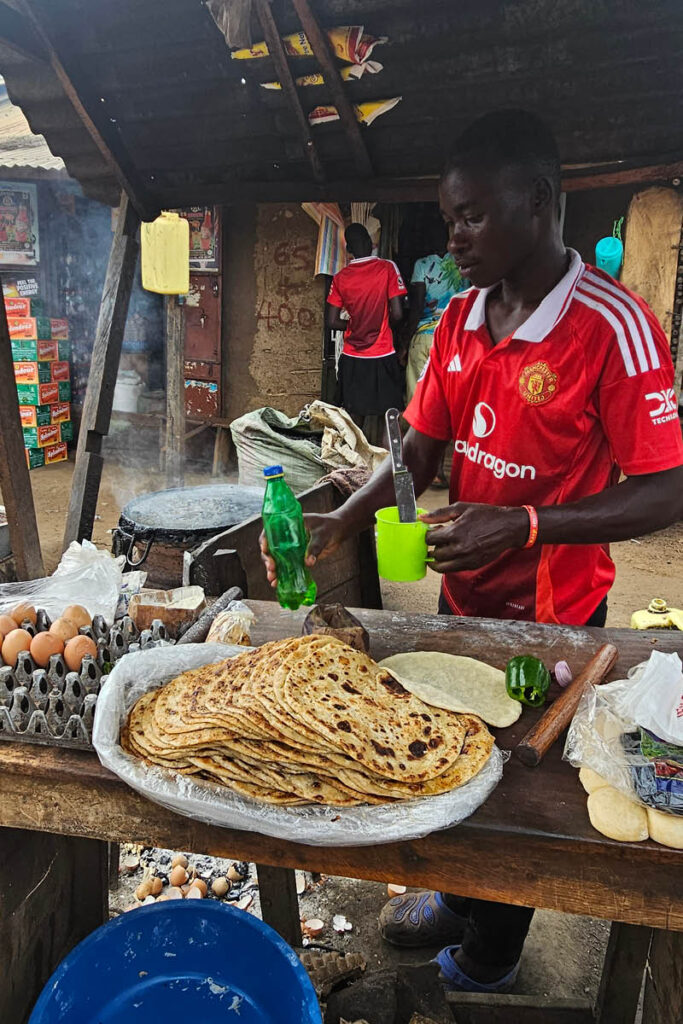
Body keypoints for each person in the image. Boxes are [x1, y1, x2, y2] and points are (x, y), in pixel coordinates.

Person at [261, 110, 683, 993]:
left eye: (471, 217)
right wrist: (344, 518)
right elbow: (417, 450)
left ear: (536, 201)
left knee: (525, 792)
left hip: (552, 613)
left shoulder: (614, 327)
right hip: (463, 601)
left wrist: (525, 522)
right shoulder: (457, 318)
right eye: (448, 217)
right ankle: (457, 896)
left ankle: (493, 954)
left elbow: (666, 487)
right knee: (457, 747)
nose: (452, 238)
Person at [327, 223, 406, 446]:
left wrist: (354, 325)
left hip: (353, 357)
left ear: (349, 250)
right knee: (391, 415)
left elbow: (331, 321)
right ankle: (392, 471)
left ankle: (353, 470)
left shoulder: (341, 278)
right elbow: (398, 313)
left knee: (353, 418)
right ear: (372, 245)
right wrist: (381, 324)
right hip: (383, 353)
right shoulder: (387, 268)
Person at [404, 226, 468, 403]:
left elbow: (417, 306)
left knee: (419, 395)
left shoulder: (422, 265)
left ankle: (416, 430)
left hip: (425, 335)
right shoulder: (460, 261)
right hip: (455, 335)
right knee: (450, 392)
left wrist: (405, 339)